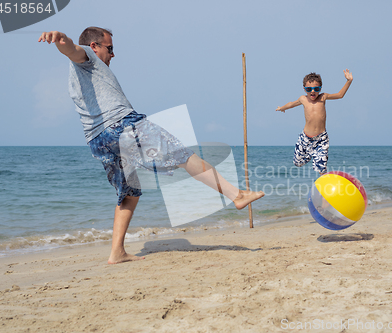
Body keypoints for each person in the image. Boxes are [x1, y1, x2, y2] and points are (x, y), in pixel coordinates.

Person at [38, 27, 264, 264]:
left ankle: (117, 252)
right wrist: (60, 39)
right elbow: (73, 50)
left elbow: (72, 54)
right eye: (110, 48)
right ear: (94, 46)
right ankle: (236, 195)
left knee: (129, 193)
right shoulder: (88, 57)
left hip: (98, 141)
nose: (113, 55)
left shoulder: (77, 78)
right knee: (184, 156)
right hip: (122, 126)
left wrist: (63, 43)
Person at [276, 71, 353, 175]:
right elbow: (291, 104)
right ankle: (311, 154)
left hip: (321, 139)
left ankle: (324, 183)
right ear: (304, 89)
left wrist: (349, 81)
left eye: (316, 89)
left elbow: (340, 95)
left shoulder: (323, 97)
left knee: (321, 169)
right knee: (297, 163)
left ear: (320, 88)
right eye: (309, 89)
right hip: (305, 138)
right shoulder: (303, 99)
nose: (312, 91)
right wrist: (282, 108)